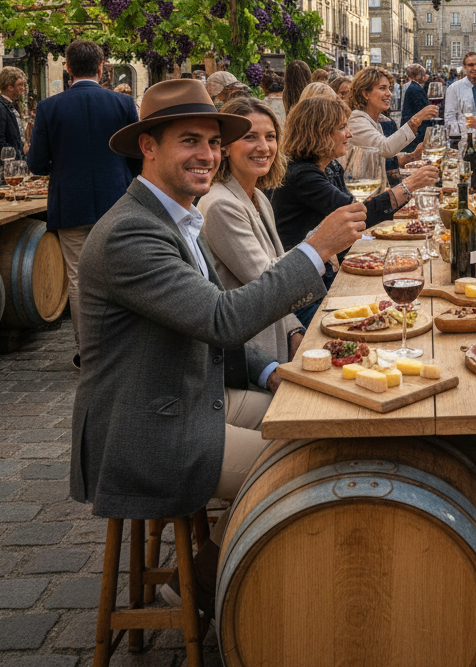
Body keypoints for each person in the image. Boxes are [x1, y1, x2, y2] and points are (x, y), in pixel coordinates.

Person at [71, 78, 367, 614]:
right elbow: (220, 318)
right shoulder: (131, 233)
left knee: (313, 424)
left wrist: (272, 370)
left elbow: (203, 329)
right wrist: (317, 248)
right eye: (190, 141)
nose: (206, 155)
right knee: (302, 466)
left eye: (211, 142)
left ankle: (226, 574)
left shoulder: (178, 215)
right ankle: (202, 592)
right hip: (149, 426)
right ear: (148, 147)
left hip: (190, 393)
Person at [27, 40, 140, 367]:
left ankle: (89, 352)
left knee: (78, 279)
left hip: (71, 203)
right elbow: (136, 157)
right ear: (102, 67)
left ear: (67, 68)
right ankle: (124, 347)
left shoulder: (49, 107)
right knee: (120, 274)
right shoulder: (121, 103)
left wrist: (62, 169)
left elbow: (36, 163)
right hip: (117, 201)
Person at [273, 95, 437, 280]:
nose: (349, 134)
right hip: (303, 281)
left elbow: (355, 207)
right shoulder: (303, 176)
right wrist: (408, 186)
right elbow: (356, 215)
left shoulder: (330, 166)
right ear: (320, 132)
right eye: (342, 128)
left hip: (325, 268)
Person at [197, 95, 305, 363]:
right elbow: (268, 281)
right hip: (253, 357)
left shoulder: (258, 197)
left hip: (279, 339)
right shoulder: (221, 204)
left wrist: (294, 329)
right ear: (226, 147)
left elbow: (276, 273)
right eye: (250, 137)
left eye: (270, 136)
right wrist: (320, 244)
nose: (263, 147)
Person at [347, 67, 438, 164]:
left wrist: (412, 156)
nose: (389, 94)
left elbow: (380, 159)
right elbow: (385, 149)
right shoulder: (357, 120)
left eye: (389, 89)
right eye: (382, 88)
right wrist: (416, 119)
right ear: (365, 94)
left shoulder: (373, 120)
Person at [0, 66, 27, 160]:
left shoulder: (8, 106)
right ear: (10, 87)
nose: (23, 88)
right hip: (5, 168)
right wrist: (18, 153)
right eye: (20, 85)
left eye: (24, 85)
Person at [400, 63, 431, 153]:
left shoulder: (409, 86)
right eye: (423, 75)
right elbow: (422, 110)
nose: (425, 77)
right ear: (418, 76)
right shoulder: (415, 89)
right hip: (417, 132)